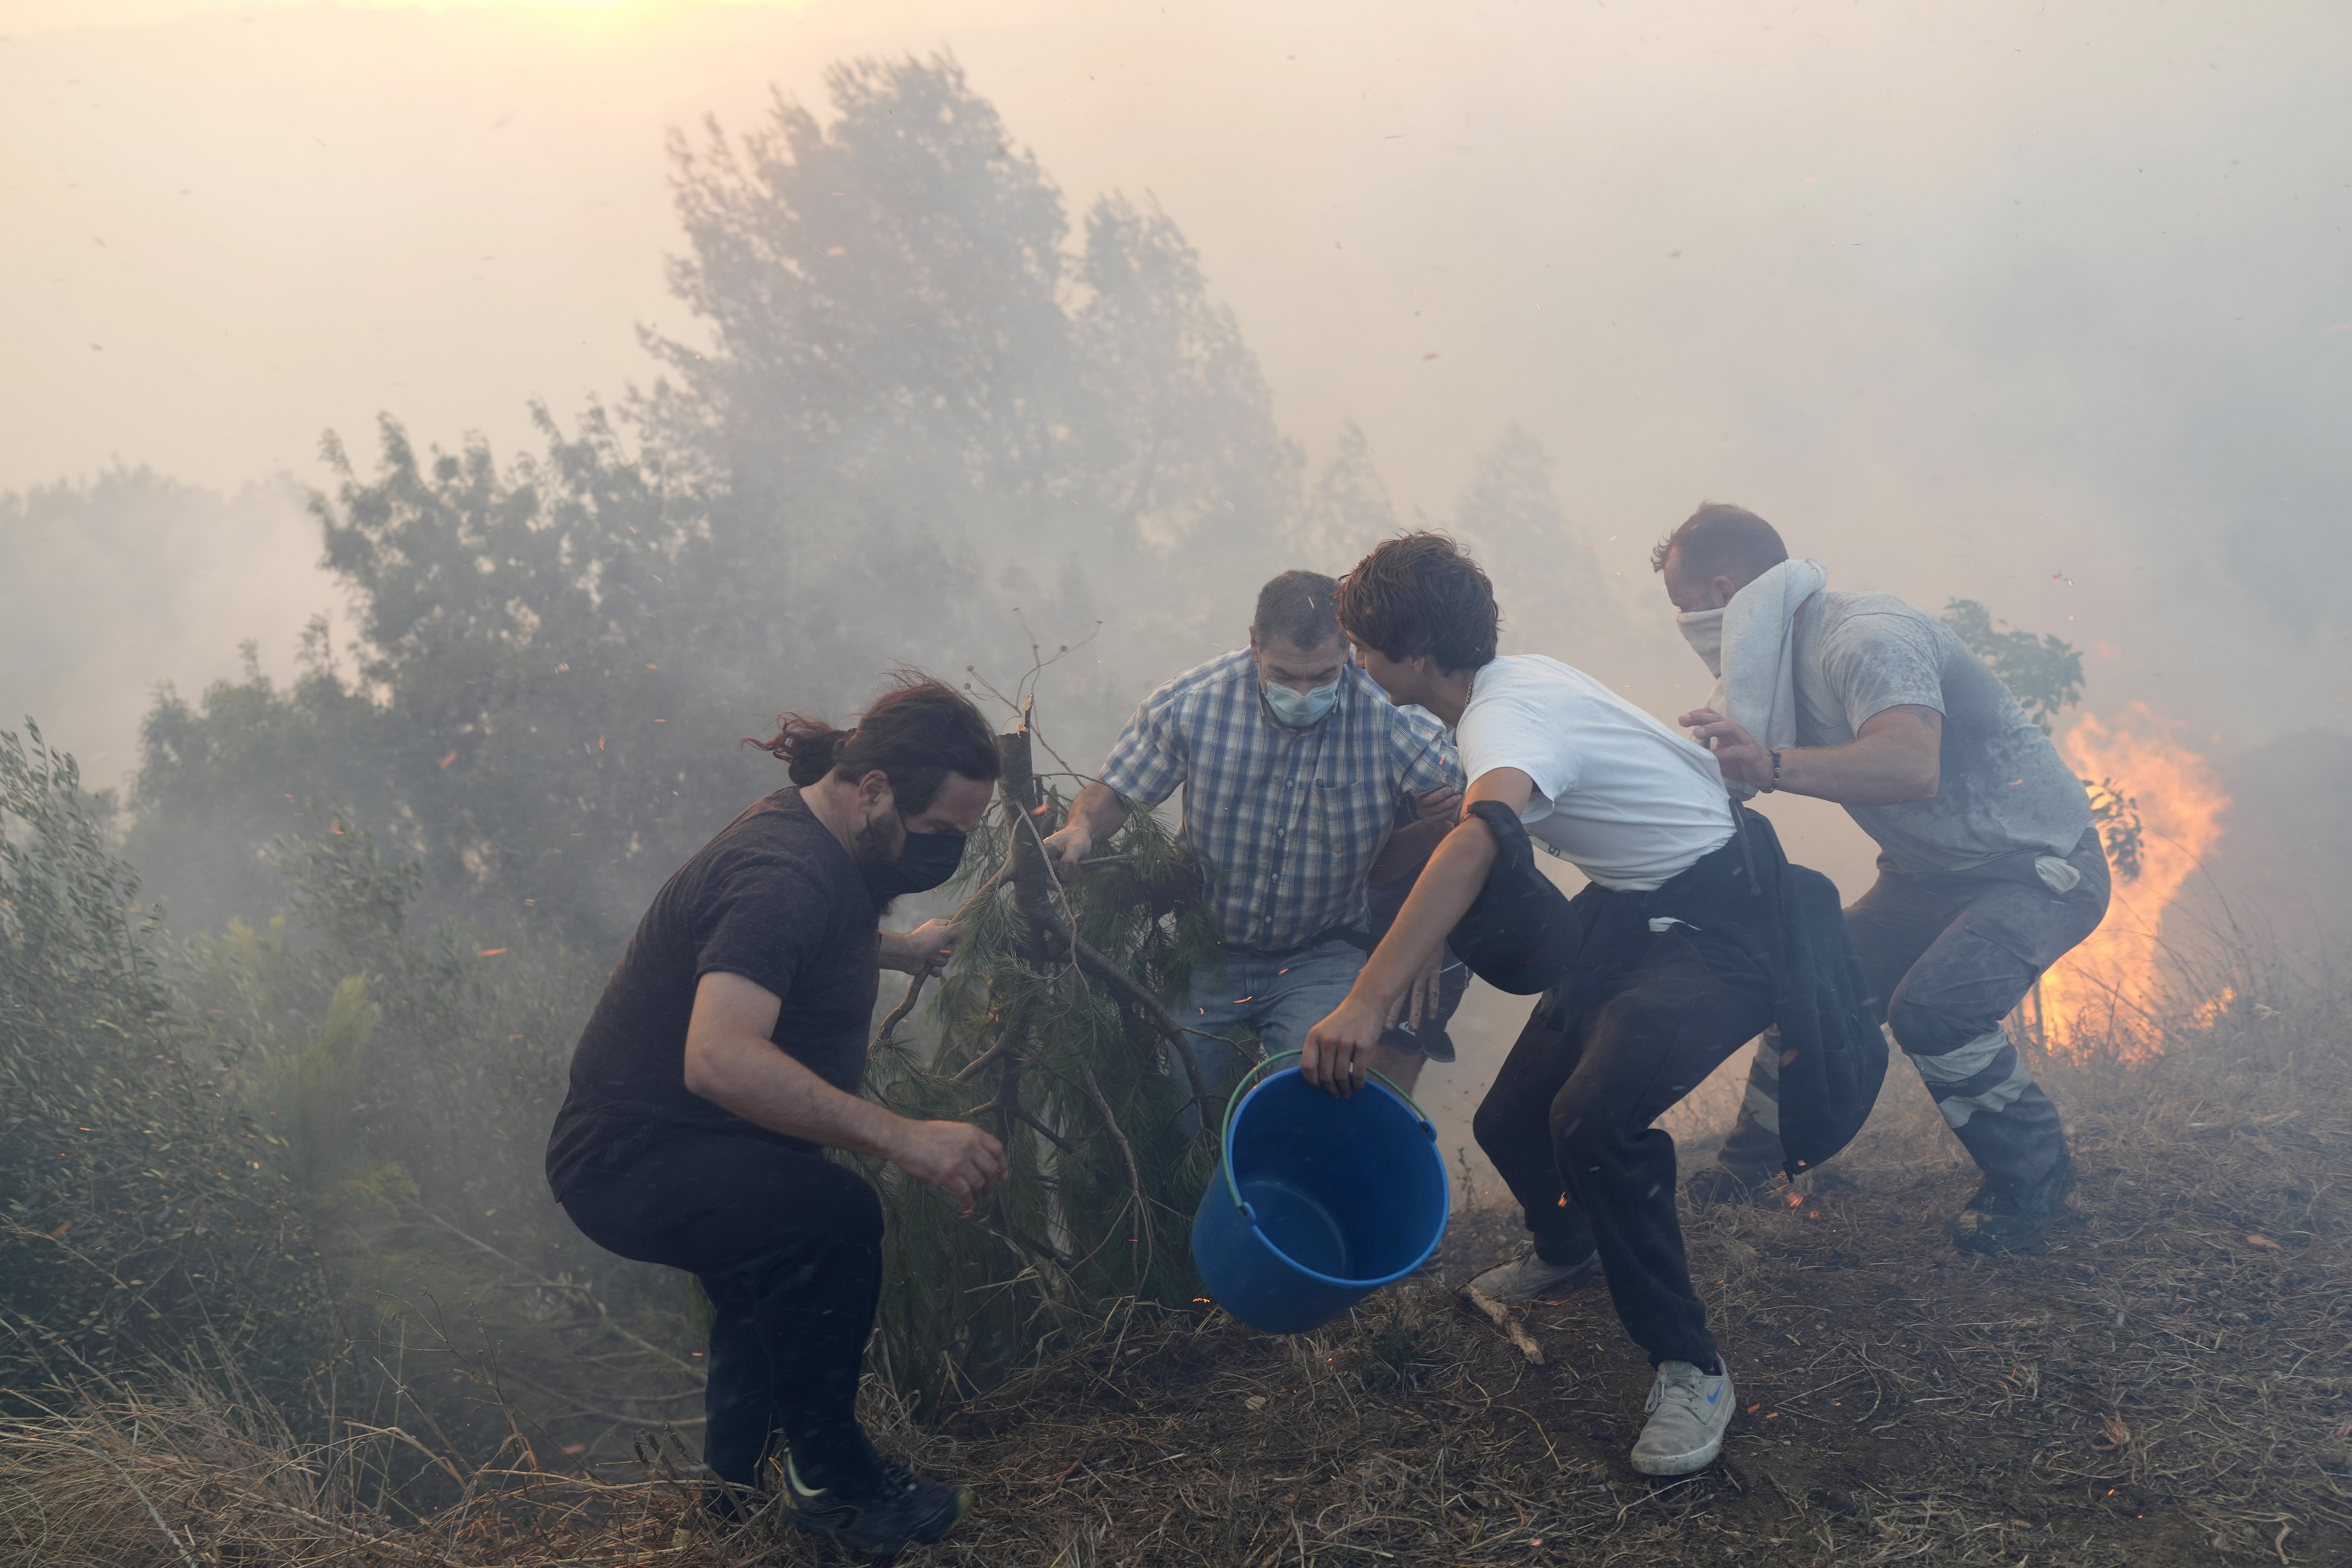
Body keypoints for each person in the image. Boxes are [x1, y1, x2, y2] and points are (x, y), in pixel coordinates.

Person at [1303, 533, 1883, 1479]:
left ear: (1413, 656)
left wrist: (1365, 1002)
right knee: (1508, 1120)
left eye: (1363, 648)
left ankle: (1691, 1367)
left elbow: (1477, 839)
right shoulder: (1512, 687)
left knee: (1593, 1122)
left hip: (1721, 920)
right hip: (1633, 903)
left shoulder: (1503, 721)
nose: (1357, 665)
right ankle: (1568, 1239)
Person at [544, 675, 1007, 1557]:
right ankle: (834, 1478)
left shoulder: (823, 842)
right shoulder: (784, 873)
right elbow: (719, 1056)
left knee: (767, 1280)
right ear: (873, 789)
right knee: (831, 1220)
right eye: (940, 833)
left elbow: (794, 940)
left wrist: (898, 948)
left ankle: (730, 1506)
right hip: (629, 1155)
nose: (944, 855)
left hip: (681, 1143)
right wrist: (904, 1136)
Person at [1656, 502, 2109, 1252]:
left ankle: (2034, 1177)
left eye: (1683, 607)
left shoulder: (1864, 638)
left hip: (2036, 870)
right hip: (1925, 876)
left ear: (1723, 591)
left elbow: (1910, 765)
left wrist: (1768, 766)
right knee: (1812, 988)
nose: (1682, 624)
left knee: (1935, 1011)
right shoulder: (1773, 668)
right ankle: (1747, 1171)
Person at [1042, 570, 1464, 1114]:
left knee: (1307, 1099)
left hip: (1323, 951)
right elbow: (1118, 791)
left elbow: (1476, 800)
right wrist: (1080, 828)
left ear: (1349, 654)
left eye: (1322, 677)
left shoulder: (1387, 714)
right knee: (1188, 1106)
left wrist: (1438, 835)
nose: (1304, 693)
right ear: (1253, 645)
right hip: (1209, 951)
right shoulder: (1193, 704)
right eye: (1285, 675)